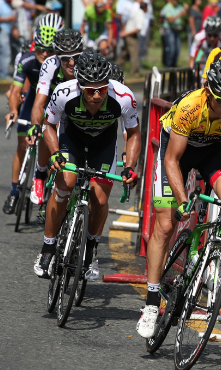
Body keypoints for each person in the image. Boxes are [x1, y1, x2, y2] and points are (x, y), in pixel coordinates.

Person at [136, 56, 221, 338]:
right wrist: (182, 199)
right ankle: (150, 303)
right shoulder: (189, 107)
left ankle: (211, 256)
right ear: (209, 91)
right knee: (165, 223)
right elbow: (172, 160)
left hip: (212, 151)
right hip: (176, 154)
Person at [33, 52, 141, 279]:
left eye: (101, 89)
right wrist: (54, 154)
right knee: (65, 186)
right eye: (90, 90)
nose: (96, 96)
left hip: (103, 142)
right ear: (80, 86)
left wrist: (129, 166)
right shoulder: (63, 92)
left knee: (100, 199)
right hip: (72, 139)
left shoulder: (123, 96)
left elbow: (133, 134)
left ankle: (91, 251)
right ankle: (48, 248)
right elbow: (49, 126)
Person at [2, 24, 57, 215]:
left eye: (50, 50)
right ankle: (14, 192)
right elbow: (16, 91)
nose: (44, 53)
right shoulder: (26, 61)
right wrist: (14, 111)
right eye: (40, 48)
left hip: (52, 105)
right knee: (21, 143)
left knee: (51, 148)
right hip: (34, 100)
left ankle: (46, 193)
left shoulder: (58, 67)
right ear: (35, 46)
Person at [28, 29, 84, 206]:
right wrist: (36, 125)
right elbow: (39, 102)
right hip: (53, 102)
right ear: (58, 57)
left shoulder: (84, 65)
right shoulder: (50, 65)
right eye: (66, 58)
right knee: (47, 125)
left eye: (75, 56)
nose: (72, 62)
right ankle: (40, 174)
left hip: (77, 104)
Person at [117, 0, 147, 76]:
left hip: (127, 34)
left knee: (125, 53)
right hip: (131, 35)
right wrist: (126, 33)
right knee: (134, 53)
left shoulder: (135, 12)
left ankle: (116, 67)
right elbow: (137, 28)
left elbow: (127, 21)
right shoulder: (141, 14)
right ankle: (135, 72)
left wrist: (124, 31)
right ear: (146, 8)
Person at [0, 0, 16, 80]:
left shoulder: (7, 3)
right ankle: (3, 75)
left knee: (0, 53)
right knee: (5, 53)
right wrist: (9, 19)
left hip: (4, 31)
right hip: (0, 31)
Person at [161, 0, 189, 67]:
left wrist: (187, 9)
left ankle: (174, 66)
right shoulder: (167, 7)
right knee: (171, 50)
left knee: (177, 50)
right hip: (169, 30)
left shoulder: (178, 6)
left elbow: (186, 14)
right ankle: (168, 66)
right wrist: (180, 13)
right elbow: (170, 20)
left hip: (176, 31)